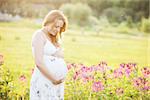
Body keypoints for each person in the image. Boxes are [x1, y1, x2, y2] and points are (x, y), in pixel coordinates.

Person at [30, 10, 68, 100]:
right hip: (45, 81)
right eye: (56, 26)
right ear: (48, 22)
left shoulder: (53, 38)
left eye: (60, 27)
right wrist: (53, 79)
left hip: (55, 84)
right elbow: (38, 62)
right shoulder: (39, 35)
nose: (58, 30)